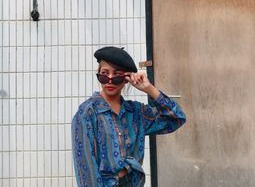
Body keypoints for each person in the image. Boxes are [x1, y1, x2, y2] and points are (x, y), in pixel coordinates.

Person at [71, 46, 186, 187]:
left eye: (117, 75)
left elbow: (176, 119)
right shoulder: (87, 113)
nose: (110, 80)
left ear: (126, 79)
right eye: (104, 74)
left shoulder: (136, 112)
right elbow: (85, 169)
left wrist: (149, 88)